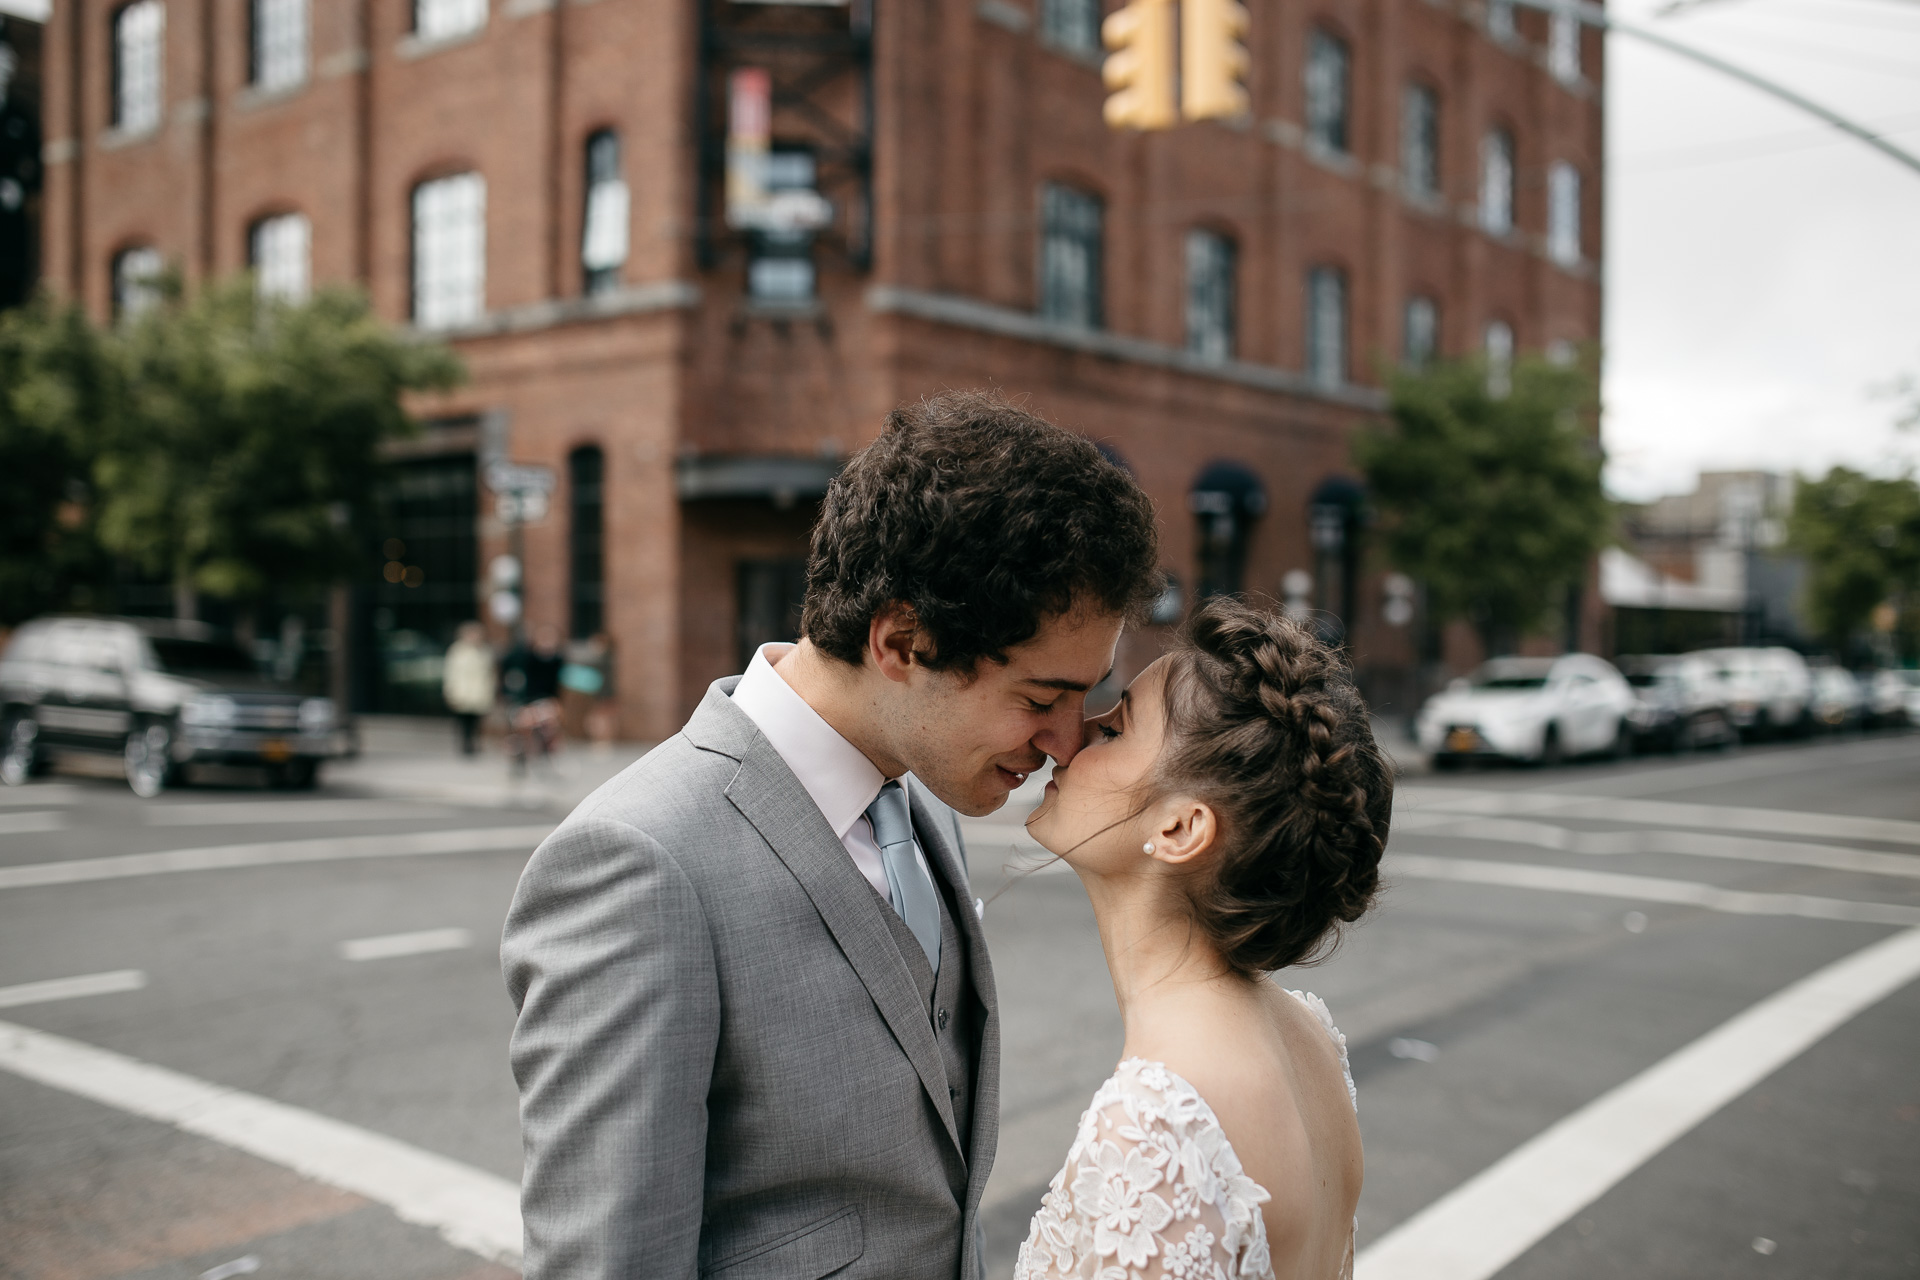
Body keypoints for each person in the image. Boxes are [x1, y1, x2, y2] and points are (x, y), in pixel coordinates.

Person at [501, 391, 1162, 1280]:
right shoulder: (637, 861)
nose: (1067, 742)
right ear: (902, 642)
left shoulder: (923, 797)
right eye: (1042, 698)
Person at [1014, 598, 1392, 1280]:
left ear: (1181, 829)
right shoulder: (1307, 1037)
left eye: (1115, 729)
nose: (1072, 736)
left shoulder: (1158, 1119)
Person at [501, 624, 565, 774]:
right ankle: (521, 755)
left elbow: (556, 685)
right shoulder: (527, 657)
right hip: (527, 700)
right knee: (524, 726)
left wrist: (556, 702)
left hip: (547, 700)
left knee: (549, 726)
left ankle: (546, 755)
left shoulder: (557, 660)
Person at [441, 621, 496, 756]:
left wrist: (491, 691)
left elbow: (490, 674)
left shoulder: (485, 651)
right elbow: (450, 672)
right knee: (463, 721)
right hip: (462, 691)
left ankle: (474, 743)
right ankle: (465, 744)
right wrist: (450, 691)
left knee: (476, 721)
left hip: (479, 692)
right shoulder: (457, 651)